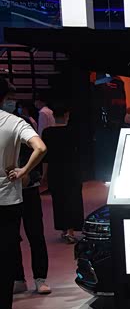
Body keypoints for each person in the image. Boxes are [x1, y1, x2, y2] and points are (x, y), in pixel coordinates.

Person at [1, 77, 47, 309]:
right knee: (7, 252)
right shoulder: (15, 122)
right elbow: (40, 148)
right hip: (9, 197)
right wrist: (23, 171)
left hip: (16, 196)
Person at [13, 131, 50, 295]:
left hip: (28, 190)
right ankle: (18, 278)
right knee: (11, 238)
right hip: (8, 192)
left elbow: (39, 152)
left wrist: (28, 172)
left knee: (36, 235)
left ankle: (40, 278)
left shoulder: (23, 127)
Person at [41, 104, 84, 244]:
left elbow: (45, 156)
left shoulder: (47, 133)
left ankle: (64, 229)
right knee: (72, 199)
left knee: (59, 199)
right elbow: (80, 152)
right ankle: (70, 231)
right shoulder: (74, 131)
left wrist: (44, 174)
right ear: (67, 115)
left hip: (55, 170)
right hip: (72, 170)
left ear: (53, 115)